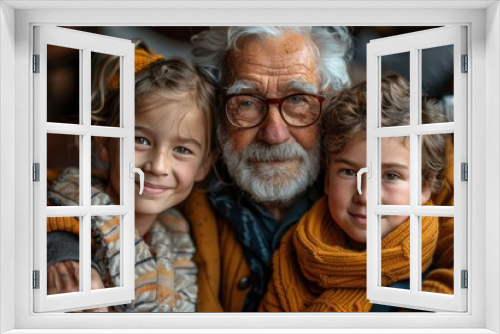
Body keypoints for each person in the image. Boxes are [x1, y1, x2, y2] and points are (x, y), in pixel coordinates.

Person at [179, 26, 353, 311]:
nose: (274, 134)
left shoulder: (366, 190)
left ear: (330, 102)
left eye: (297, 99)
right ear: (216, 106)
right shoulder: (177, 187)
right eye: (246, 102)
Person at [260, 75, 455, 312]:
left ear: (425, 188)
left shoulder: (441, 270)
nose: (364, 197)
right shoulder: (291, 253)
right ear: (327, 180)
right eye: (349, 172)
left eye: (391, 176)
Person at [46, 42, 216, 312]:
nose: (158, 166)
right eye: (140, 140)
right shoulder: (65, 221)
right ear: (104, 142)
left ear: (204, 166)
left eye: (182, 149)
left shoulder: (179, 240)